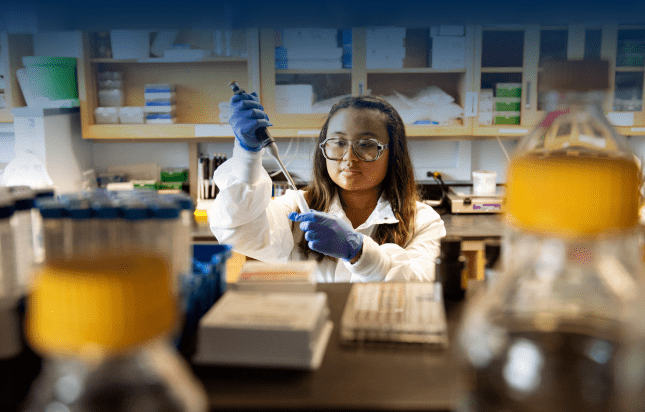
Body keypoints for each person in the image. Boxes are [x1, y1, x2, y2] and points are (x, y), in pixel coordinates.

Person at [209, 92, 446, 282]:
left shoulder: (422, 221)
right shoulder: (296, 208)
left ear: (394, 154)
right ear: (324, 148)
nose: (349, 157)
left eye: (366, 144)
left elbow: (422, 284)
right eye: (339, 142)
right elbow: (237, 230)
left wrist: (358, 251)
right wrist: (247, 156)